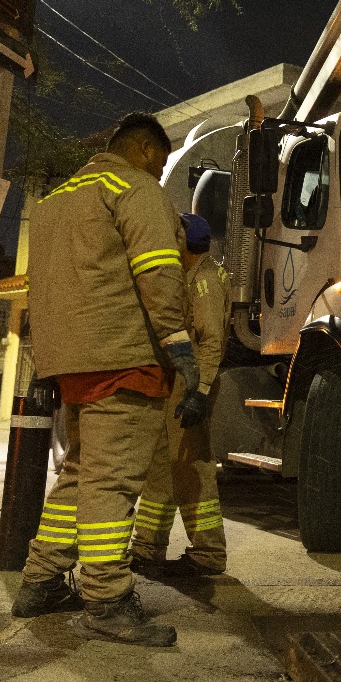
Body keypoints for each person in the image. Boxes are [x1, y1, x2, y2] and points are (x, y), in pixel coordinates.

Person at [11, 112, 205, 647]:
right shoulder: (134, 188)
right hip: (124, 354)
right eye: (161, 161)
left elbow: (40, 290)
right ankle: (107, 598)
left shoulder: (54, 202)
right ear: (145, 150)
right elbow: (159, 271)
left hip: (70, 360)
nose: (160, 171)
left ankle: (42, 579)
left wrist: (44, 362)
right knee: (113, 481)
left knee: (80, 472)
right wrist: (178, 345)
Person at [130, 213, 233, 577]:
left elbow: (210, 343)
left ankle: (208, 552)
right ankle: (147, 545)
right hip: (179, 381)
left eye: (175, 238)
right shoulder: (194, 275)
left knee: (192, 465)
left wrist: (199, 393)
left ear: (186, 244)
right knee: (162, 464)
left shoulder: (203, 282)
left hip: (191, 384)